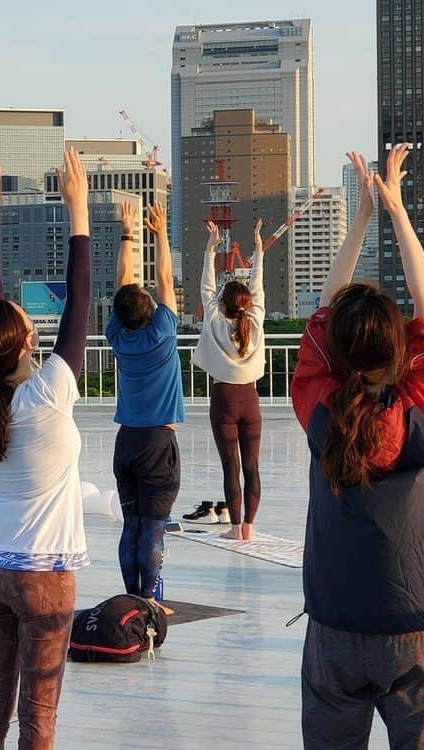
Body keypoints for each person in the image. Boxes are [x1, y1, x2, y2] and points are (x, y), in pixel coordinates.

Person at [292, 147, 424, 750]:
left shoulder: (318, 406)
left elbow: (325, 316)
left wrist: (357, 221)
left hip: (334, 626)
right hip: (422, 626)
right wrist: (396, 209)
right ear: (403, 350)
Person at [0, 149, 90, 750]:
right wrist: (78, 207)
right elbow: (81, 307)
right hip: (44, 579)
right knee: (38, 717)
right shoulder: (47, 394)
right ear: (18, 342)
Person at [108, 199, 182, 616]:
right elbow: (166, 279)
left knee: (131, 524)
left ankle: (130, 595)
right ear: (151, 311)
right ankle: (150, 598)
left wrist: (128, 233)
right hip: (158, 442)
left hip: (126, 442)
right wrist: (160, 232)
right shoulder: (162, 333)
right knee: (153, 527)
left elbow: (124, 284)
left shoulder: (118, 336)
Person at [191, 218, 266, 540]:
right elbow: (259, 286)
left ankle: (235, 527)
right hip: (251, 400)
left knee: (230, 466)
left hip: (223, 400)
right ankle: (249, 527)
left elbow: (206, 287)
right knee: (252, 466)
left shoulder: (215, 319)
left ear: (223, 303)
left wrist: (211, 248)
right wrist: (259, 250)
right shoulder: (257, 319)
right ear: (247, 303)